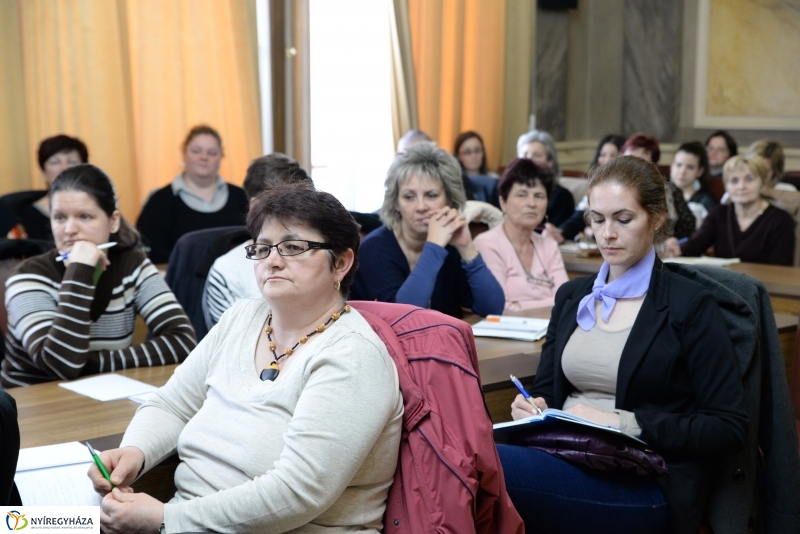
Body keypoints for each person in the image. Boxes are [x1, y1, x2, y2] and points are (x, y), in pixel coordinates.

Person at [89, 186, 403, 534]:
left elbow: (296, 493)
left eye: (294, 247)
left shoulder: (353, 355)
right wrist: (135, 451)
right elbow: (173, 404)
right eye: (262, 248)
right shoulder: (242, 317)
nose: (272, 260)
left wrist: (166, 519)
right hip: (186, 520)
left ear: (340, 263)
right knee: (27, 525)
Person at [499, 155, 747, 533]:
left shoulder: (690, 305)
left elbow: (727, 427)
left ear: (657, 218)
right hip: (565, 454)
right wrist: (534, 406)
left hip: (644, 480)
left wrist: (624, 422)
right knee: (462, 451)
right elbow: (548, 391)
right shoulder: (572, 296)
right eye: (597, 220)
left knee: (480, 463)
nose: (606, 235)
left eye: (623, 219)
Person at [1, 164, 196, 388]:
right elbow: (61, 365)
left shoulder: (132, 264)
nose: (69, 229)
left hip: (102, 400)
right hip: (33, 409)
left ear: (113, 221)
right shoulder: (27, 277)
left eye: (84, 216)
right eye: (60, 218)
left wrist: (92, 363)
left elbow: (183, 341)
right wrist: (80, 271)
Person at [351, 143, 504, 318]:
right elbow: (404, 319)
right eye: (409, 197)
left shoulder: (451, 246)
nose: (421, 207)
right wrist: (434, 247)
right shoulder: (375, 248)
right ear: (396, 204)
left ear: (450, 200)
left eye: (431, 195)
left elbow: (493, 309)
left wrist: (467, 248)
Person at [204, 153, 313, 329]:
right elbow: (230, 344)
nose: (298, 216)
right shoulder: (228, 270)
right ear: (255, 207)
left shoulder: (315, 255)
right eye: (287, 206)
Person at [136, 125, 248, 263]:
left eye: (212, 153)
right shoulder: (159, 201)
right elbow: (148, 253)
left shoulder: (241, 197)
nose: (204, 157)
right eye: (196, 151)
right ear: (184, 154)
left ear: (220, 159)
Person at [665, 154, 795, 266]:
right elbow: (696, 244)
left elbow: (780, 267)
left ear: (762, 184)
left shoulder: (781, 220)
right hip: (726, 285)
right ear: (726, 186)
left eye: (749, 179)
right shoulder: (719, 214)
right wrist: (677, 248)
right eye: (734, 180)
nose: (741, 186)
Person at [474, 158, 567, 311]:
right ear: (503, 202)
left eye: (539, 196)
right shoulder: (487, 243)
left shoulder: (549, 246)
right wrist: (550, 302)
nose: (531, 203)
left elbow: (566, 300)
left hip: (548, 331)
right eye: (522, 195)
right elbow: (501, 307)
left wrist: (519, 305)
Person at [0, 134, 88, 241]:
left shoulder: (96, 210)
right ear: (43, 172)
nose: (64, 167)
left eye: (72, 162)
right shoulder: (22, 216)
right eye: (55, 162)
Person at [550, 134, 626, 243]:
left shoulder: (627, 189)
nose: (607, 160)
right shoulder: (596, 186)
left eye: (613, 155)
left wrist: (591, 232)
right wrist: (562, 232)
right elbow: (581, 214)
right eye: (603, 154)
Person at [621, 134, 696, 240]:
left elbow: (688, 226)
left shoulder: (669, 189)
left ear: (653, 166)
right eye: (629, 159)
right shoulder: (611, 187)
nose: (633, 167)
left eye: (641, 161)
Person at [516, 130, 575, 227]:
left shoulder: (562, 197)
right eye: (525, 154)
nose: (529, 160)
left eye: (537, 155)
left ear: (550, 162)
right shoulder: (509, 192)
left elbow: (556, 233)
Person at [669, 141, 717, 228]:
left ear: (700, 171)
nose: (682, 171)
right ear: (672, 166)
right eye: (678, 165)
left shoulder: (705, 202)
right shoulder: (659, 195)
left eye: (690, 167)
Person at [454, 131, 500, 207]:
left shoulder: (494, 180)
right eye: (467, 152)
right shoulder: (454, 182)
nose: (474, 156)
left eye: (477, 150)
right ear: (458, 156)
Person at [705, 130, 738, 202]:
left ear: (730, 154)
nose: (713, 153)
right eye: (710, 148)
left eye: (720, 149)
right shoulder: (696, 177)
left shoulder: (735, 180)